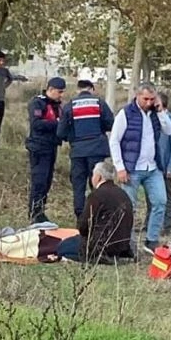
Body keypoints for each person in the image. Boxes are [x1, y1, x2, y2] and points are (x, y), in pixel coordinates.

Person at [109, 82, 171, 254]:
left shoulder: (155, 113)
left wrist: (160, 111)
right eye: (145, 99)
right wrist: (120, 167)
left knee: (160, 201)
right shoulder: (125, 114)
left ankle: (151, 239)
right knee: (129, 207)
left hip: (153, 167)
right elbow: (114, 140)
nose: (148, 102)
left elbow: (169, 130)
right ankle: (127, 242)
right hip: (132, 168)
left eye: (152, 99)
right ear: (137, 96)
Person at [56, 79, 115, 219]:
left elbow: (60, 132)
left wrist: (72, 138)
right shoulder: (99, 103)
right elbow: (110, 123)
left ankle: (81, 217)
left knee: (78, 185)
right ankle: (98, 214)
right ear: (92, 89)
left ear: (78, 90)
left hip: (78, 151)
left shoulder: (70, 105)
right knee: (98, 183)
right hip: (96, 150)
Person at [56, 161, 135, 262]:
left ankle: (98, 257)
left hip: (100, 246)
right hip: (122, 247)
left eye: (93, 174)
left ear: (98, 177)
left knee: (63, 246)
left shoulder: (97, 195)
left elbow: (84, 226)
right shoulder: (123, 194)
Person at [26, 77, 66, 223]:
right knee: (39, 181)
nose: (61, 95)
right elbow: (36, 124)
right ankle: (34, 213)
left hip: (51, 147)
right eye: (59, 92)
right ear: (51, 89)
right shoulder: (38, 103)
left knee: (47, 182)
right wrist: (56, 124)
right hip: (39, 147)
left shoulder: (58, 106)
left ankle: (40, 210)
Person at [144, 94, 171, 234]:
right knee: (150, 195)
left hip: (165, 165)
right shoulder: (150, 118)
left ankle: (168, 224)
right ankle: (148, 222)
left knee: (167, 195)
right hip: (151, 164)